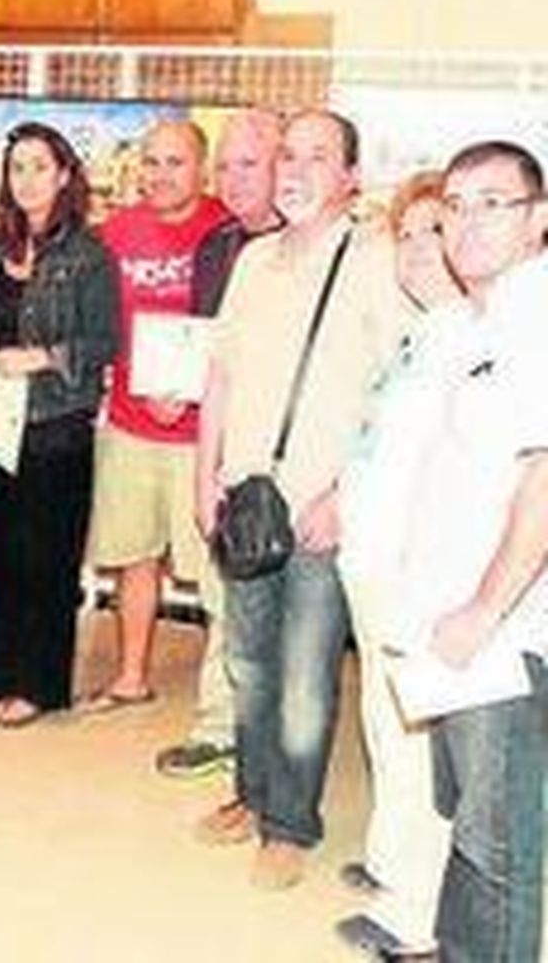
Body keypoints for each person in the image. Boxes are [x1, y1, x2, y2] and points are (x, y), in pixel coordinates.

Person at [194, 110, 404, 890]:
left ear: (352, 177)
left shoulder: (378, 260)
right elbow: (219, 376)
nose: (296, 167)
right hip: (246, 501)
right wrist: (203, 474)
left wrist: (347, 494)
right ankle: (250, 795)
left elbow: (400, 393)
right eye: (288, 153)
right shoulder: (252, 261)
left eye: (319, 156)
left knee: (307, 675)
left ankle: (291, 824)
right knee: (248, 661)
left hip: (323, 507)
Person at [382, 142, 548, 962]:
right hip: (448, 619)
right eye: (457, 203)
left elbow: (544, 478)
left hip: (504, 633)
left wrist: (486, 608)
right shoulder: (475, 320)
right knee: (470, 820)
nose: (469, 221)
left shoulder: (538, 319)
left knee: (500, 835)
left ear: (539, 220)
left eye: (495, 202)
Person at [333, 171, 461, 959]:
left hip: (419, 578)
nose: (415, 252)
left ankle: (417, 917)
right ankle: (391, 864)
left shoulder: (473, 338)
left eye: (432, 234)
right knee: (388, 726)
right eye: (405, 237)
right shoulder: (426, 331)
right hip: (374, 565)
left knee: (420, 744)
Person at [0, 122, 119, 728]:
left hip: (55, 426)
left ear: (63, 175)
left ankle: (37, 684)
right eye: (16, 167)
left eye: (38, 166)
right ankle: (0, 671)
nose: (26, 179)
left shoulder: (88, 255)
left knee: (45, 558)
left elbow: (105, 341)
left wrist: (44, 356)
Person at [155, 109, 285, 778]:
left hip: (292, 459)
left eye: (249, 164)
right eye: (225, 165)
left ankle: (270, 754)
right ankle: (220, 729)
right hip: (223, 453)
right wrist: (180, 388)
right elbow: (208, 348)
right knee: (221, 595)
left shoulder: (316, 248)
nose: (232, 180)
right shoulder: (216, 246)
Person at [82, 120, 227, 714]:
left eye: (175, 162)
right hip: (129, 426)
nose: (160, 174)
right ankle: (130, 677)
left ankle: (222, 706)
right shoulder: (114, 233)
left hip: (206, 435)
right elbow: (98, 323)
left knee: (217, 571)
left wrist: (193, 392)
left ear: (202, 167)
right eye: (152, 162)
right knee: (133, 555)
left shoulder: (230, 231)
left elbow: (240, 331)